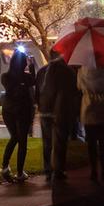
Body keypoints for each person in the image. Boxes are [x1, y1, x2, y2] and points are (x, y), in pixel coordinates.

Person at [38, 48, 81, 181]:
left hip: (45, 110)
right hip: (60, 111)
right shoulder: (68, 71)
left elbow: (39, 91)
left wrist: (41, 106)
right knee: (60, 142)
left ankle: (48, 170)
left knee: (47, 142)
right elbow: (75, 93)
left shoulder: (42, 71)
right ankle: (58, 170)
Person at [0, 50, 36, 182]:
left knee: (14, 137)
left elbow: (10, 88)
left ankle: (4, 166)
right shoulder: (25, 77)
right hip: (22, 111)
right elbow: (33, 81)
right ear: (23, 63)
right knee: (22, 141)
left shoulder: (5, 76)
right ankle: (20, 172)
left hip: (8, 111)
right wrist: (31, 66)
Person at [80, 59, 104, 183]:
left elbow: (79, 86)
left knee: (91, 144)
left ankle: (94, 171)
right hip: (103, 109)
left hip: (88, 109)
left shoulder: (82, 70)